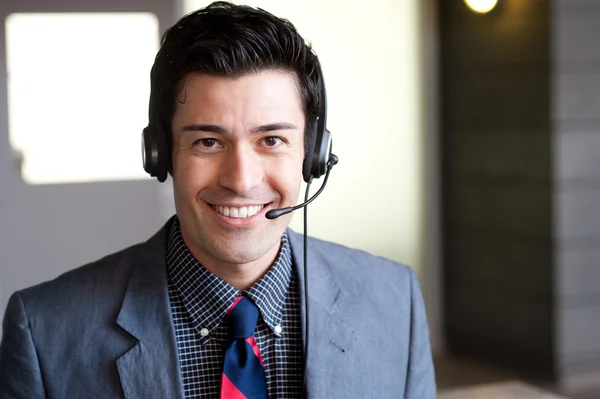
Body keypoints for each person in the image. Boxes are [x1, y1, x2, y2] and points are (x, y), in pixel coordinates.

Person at [0, 2, 436, 398]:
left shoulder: (395, 301)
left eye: (271, 139)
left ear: (313, 155)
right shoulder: (43, 329)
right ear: (161, 153)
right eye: (208, 141)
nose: (241, 180)